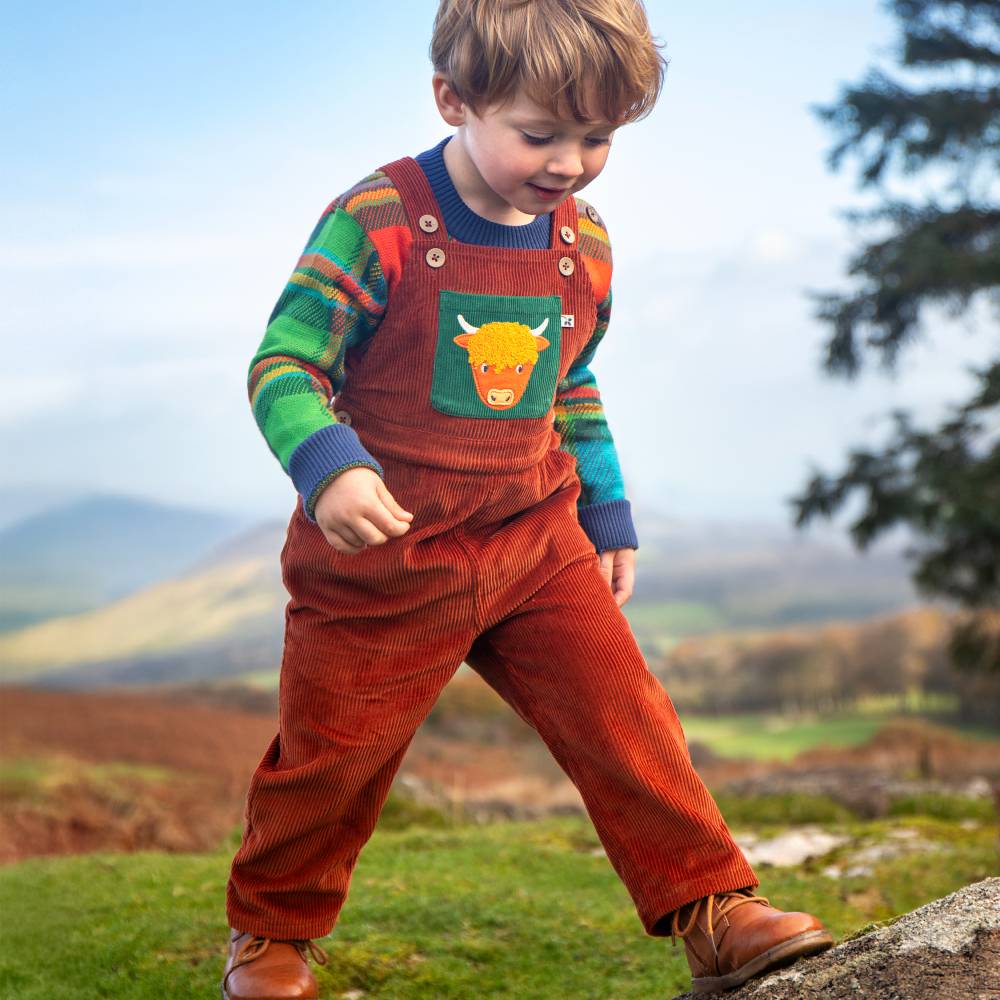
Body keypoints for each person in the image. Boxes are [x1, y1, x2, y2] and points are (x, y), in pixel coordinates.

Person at [221, 1, 835, 997]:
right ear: (452, 100)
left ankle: (712, 911)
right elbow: (284, 363)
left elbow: (572, 386)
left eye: (597, 138)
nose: (570, 163)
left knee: (624, 714)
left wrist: (605, 513)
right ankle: (271, 935)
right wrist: (329, 465)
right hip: (382, 560)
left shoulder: (583, 244)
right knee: (327, 759)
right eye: (540, 134)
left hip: (530, 540)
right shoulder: (375, 218)